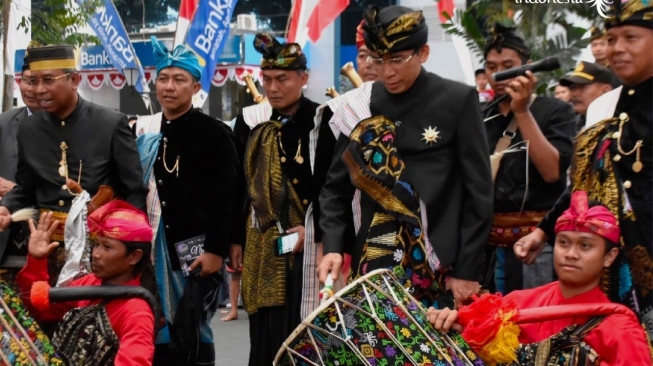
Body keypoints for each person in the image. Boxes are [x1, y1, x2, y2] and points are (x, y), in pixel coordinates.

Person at [318, 5, 493, 308]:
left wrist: (468, 270)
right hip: (373, 263)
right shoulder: (362, 104)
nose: (387, 71)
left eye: (397, 60)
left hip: (440, 267)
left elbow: (478, 194)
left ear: (423, 52)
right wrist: (333, 247)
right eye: (379, 60)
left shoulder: (457, 100)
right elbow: (335, 189)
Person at [516, 0, 653, 345]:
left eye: (631, 37)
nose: (617, 49)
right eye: (611, 38)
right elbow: (582, 185)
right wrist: (544, 232)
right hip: (608, 267)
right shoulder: (604, 106)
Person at [427, 191, 652, 366]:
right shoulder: (515, 304)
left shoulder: (620, 330)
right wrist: (447, 321)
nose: (571, 254)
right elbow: (468, 338)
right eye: (563, 242)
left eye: (585, 245)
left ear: (609, 257)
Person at [0, 45, 147, 287]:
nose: (38, 90)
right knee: (45, 319)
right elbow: (26, 188)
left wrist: (135, 246)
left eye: (48, 80)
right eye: (33, 81)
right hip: (45, 248)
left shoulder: (110, 123)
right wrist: (7, 207)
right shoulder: (29, 128)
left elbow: (134, 191)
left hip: (99, 251)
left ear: (75, 79)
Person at [133, 36, 239, 366]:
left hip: (195, 242)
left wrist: (215, 251)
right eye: (163, 79)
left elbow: (228, 197)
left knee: (193, 322)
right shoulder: (148, 132)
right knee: (156, 320)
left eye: (179, 80)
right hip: (152, 239)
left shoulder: (215, 133)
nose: (169, 87)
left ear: (195, 87)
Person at [232, 33, 336, 366]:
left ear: (303, 78)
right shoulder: (250, 122)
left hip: (308, 243)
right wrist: (234, 241)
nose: (273, 88)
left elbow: (332, 186)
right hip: (264, 243)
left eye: (282, 79)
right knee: (264, 330)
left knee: (303, 327)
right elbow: (239, 187)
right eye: (267, 80)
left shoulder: (324, 120)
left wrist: (317, 232)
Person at [482, 24, 576, 294]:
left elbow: (552, 172)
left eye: (508, 65)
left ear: (529, 68)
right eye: (491, 66)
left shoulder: (556, 111)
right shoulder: (478, 115)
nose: (498, 74)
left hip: (536, 246)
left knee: (533, 327)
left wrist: (521, 111)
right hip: (485, 246)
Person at [17, 201, 157, 366]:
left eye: (107, 247)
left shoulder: (137, 313)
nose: (96, 254)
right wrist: (37, 260)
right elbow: (41, 311)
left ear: (134, 257)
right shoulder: (89, 282)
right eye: (96, 244)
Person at [0, 48, 42, 270]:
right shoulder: (4, 123)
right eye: (27, 81)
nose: (32, 89)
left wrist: (15, 191)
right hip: (5, 240)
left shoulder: (65, 127)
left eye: (38, 81)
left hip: (45, 234)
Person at [559, 61, 613, 132]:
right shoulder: (570, 126)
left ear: (606, 91)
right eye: (572, 87)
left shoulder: (622, 124)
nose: (574, 94)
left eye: (582, 87)